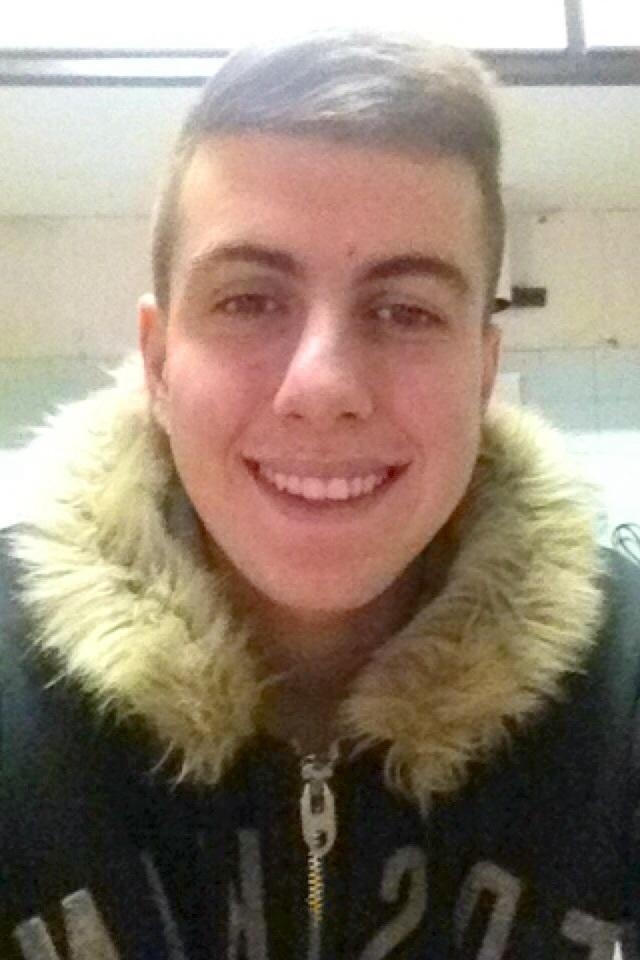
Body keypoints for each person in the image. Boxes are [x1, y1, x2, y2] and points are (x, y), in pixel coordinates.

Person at [1, 26, 639, 960]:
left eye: (405, 310)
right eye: (249, 300)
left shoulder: (622, 683)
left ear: (482, 370)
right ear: (158, 362)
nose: (323, 386)